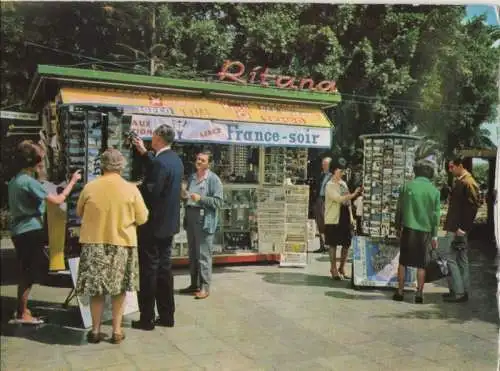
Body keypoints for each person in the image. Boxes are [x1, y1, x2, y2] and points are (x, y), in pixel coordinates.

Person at [75, 149, 148, 344]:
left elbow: (79, 211)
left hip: (93, 243)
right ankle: (116, 331)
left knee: (96, 290)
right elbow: (142, 218)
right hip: (121, 244)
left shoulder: (90, 187)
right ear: (121, 166)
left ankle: (96, 330)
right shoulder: (131, 189)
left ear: (103, 165)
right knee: (119, 289)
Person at [8, 140, 81, 324]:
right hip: (30, 230)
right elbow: (57, 200)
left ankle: (22, 309)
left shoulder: (16, 180)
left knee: (26, 270)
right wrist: (73, 182)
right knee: (28, 273)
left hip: (19, 230)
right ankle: (22, 313)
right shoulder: (29, 182)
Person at [131, 125, 183, 330]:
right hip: (169, 225)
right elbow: (161, 172)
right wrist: (145, 153)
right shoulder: (175, 160)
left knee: (149, 271)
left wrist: (135, 188)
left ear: (159, 137)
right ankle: (167, 315)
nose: (151, 138)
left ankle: (147, 318)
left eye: (153, 135)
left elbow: (152, 191)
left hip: (153, 225)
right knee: (164, 269)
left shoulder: (161, 162)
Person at [393, 159, 440, 304]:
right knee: (421, 264)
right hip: (425, 232)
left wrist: (397, 226)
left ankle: (400, 292)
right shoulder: (434, 191)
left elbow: (399, 208)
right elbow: (436, 216)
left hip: (408, 229)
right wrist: (435, 236)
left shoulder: (406, 187)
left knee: (403, 262)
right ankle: (419, 294)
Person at [179, 151, 223, 299]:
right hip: (191, 216)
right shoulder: (192, 177)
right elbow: (189, 197)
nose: (198, 161)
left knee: (204, 255)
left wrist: (201, 198)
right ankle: (194, 284)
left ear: (208, 164)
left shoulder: (213, 180)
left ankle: (205, 287)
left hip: (204, 219)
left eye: (202, 160)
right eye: (197, 159)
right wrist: (185, 197)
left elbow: (218, 202)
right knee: (192, 253)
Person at [441, 156, 480, 303]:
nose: (450, 170)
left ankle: (458, 292)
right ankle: (462, 291)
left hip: (458, 229)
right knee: (461, 260)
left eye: (452, 167)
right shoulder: (462, 182)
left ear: (460, 166)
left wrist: (463, 228)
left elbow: (473, 207)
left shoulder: (467, 182)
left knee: (451, 258)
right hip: (457, 227)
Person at [324, 158, 361, 280]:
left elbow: (348, 201)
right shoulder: (329, 185)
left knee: (346, 243)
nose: (342, 173)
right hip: (334, 218)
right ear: (334, 171)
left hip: (344, 216)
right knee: (333, 244)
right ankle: (333, 268)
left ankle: (342, 267)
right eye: (340, 170)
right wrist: (354, 194)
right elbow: (339, 198)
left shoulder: (343, 183)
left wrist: (351, 217)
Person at [313, 157, 332, 253]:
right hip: (319, 200)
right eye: (322, 164)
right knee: (319, 223)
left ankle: (328, 245)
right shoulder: (321, 175)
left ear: (329, 165)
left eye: (325, 164)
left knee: (326, 223)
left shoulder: (332, 176)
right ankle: (322, 245)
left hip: (326, 201)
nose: (323, 166)